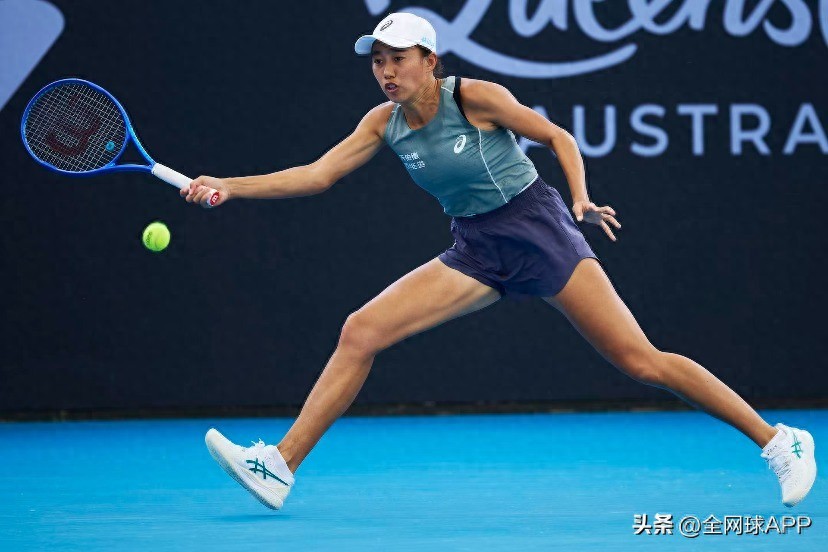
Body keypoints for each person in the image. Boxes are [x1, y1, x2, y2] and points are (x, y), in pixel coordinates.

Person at [185, 12, 816, 510]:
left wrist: (580, 199)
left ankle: (777, 441)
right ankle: (280, 466)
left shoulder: (476, 97)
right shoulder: (383, 123)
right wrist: (232, 185)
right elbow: (318, 175)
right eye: (378, 61)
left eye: (398, 59)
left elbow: (556, 137)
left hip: (538, 228)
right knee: (362, 330)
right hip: (477, 247)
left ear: (430, 62)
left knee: (640, 360)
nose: (385, 71)